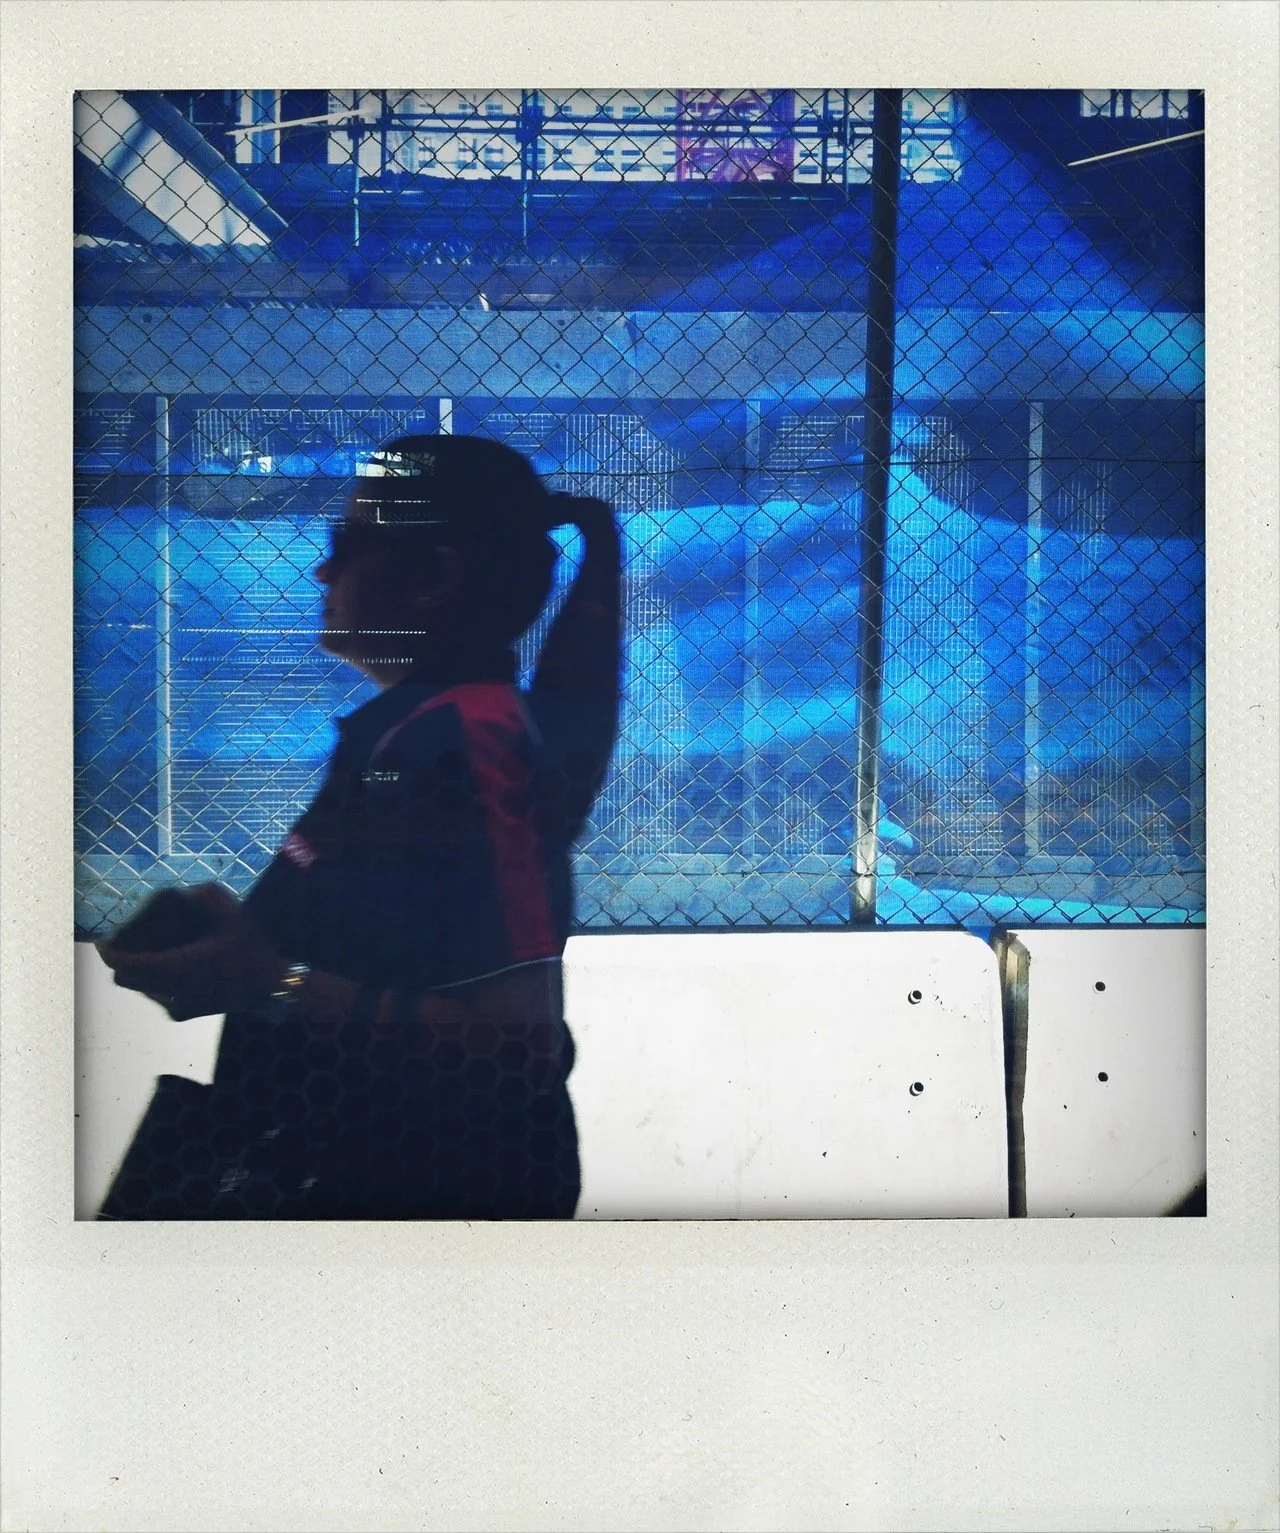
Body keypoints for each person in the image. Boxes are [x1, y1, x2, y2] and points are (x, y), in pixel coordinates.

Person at [96, 435, 622, 1219]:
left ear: (435, 578)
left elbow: (520, 1050)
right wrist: (248, 949)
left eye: (347, 544)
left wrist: (268, 981)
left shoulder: (464, 742)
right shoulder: (417, 733)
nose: (323, 571)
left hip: (408, 1214)